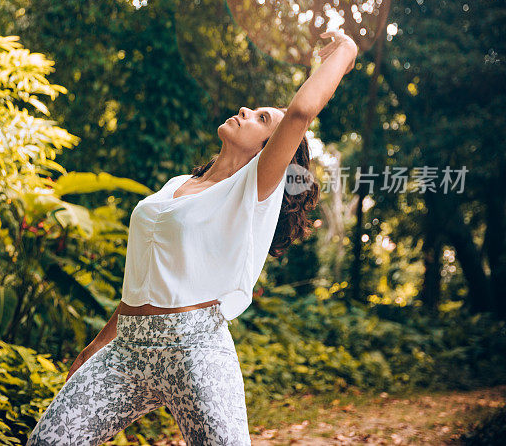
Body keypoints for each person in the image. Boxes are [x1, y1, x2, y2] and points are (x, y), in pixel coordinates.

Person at [26, 30, 358, 445]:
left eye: (261, 119)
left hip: (195, 347)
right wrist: (98, 343)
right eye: (253, 110)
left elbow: (299, 114)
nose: (246, 111)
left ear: (268, 150)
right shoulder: (176, 186)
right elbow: (147, 279)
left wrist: (346, 51)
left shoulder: (254, 188)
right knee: (50, 441)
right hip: (128, 348)